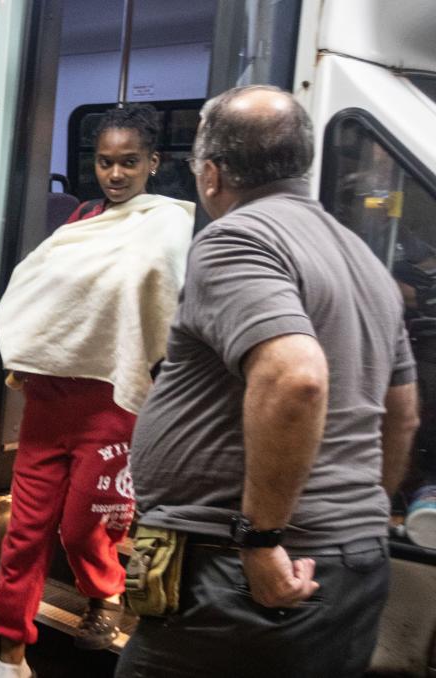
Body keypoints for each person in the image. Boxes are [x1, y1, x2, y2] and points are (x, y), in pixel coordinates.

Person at [116, 86, 420, 678]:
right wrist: (354, 518)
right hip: (348, 560)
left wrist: (261, 539)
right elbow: (402, 413)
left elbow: (295, 380)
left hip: (251, 578)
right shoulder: (363, 259)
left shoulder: (238, 238)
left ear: (211, 173)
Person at [0, 104, 194, 678]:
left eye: (129, 162)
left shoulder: (169, 224)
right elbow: (37, 296)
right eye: (106, 162)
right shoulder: (78, 222)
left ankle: (102, 595)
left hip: (113, 404)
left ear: (153, 162)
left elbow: (163, 305)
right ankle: (10, 653)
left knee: (84, 527)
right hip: (49, 402)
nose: (116, 174)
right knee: (25, 534)